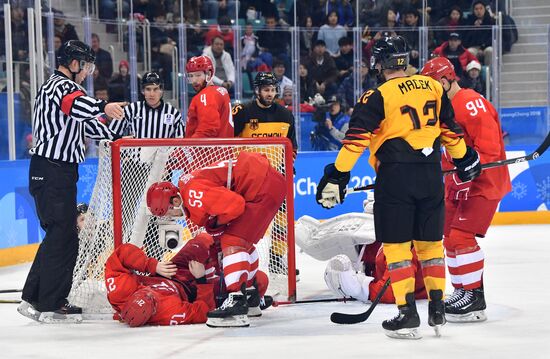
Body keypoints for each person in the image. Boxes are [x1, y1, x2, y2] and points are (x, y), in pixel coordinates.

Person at [316, 36, 482, 339]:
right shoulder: (432, 86)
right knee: (431, 247)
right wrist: (465, 158)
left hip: (395, 179)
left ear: (379, 64)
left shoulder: (376, 96)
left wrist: (338, 174)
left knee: (397, 249)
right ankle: (437, 309)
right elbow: (450, 133)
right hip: (431, 176)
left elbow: (355, 142)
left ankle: (407, 314)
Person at [17, 40, 127, 323]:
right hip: (52, 170)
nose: (87, 71)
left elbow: (89, 124)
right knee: (63, 234)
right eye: (85, 64)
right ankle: (49, 303)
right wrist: (104, 105)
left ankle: (35, 298)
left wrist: (117, 128)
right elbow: (77, 106)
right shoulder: (60, 86)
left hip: (58, 172)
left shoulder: (70, 91)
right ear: (73, 62)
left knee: (60, 234)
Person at [146, 151, 285, 327]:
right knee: (243, 243)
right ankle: (251, 299)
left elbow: (235, 206)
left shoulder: (192, 194)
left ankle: (236, 302)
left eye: (168, 212)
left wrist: (217, 222)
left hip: (260, 184)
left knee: (233, 241)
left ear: (174, 201)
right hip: (266, 182)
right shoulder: (189, 190)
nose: (172, 217)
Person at [421, 57, 511, 323]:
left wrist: (470, 167)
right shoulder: (442, 107)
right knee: (447, 236)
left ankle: (474, 296)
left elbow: (490, 151)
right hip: (458, 184)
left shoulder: (471, 104)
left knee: (461, 237)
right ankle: (461, 291)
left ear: (447, 80)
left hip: (484, 184)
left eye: (435, 84)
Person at [104, 235, 216, 327]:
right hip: (191, 290)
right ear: (153, 312)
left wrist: (152, 265)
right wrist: (202, 280)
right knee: (223, 286)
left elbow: (120, 254)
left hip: (169, 272)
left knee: (201, 242)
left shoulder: (120, 293)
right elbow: (205, 312)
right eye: (152, 300)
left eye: (143, 293)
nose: (149, 293)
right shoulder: (168, 313)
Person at [108, 71, 184, 138]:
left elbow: (181, 144)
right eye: (148, 89)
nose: (152, 94)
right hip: (136, 154)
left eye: (155, 89)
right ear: (142, 90)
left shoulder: (174, 114)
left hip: (163, 154)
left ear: (161, 90)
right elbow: (111, 135)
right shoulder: (130, 110)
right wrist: (122, 140)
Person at [185, 55, 234, 138]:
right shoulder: (221, 91)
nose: (194, 80)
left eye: (198, 75)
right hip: (223, 148)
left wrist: (188, 148)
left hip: (209, 150)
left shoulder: (206, 95)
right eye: (191, 76)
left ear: (209, 74)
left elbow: (208, 129)